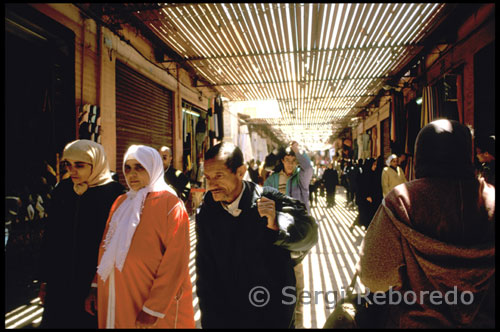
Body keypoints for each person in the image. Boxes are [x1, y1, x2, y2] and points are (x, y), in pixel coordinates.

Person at [357, 119, 495, 328]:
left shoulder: (401, 201)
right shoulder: (491, 199)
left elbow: (374, 277)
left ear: (421, 153)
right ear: (468, 153)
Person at [195, 142, 318, 328]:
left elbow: (309, 234)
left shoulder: (269, 199)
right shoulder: (207, 213)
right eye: (208, 178)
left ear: (240, 171)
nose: (211, 185)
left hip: (270, 315)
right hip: (228, 317)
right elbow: (205, 274)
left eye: (219, 176)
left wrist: (277, 225)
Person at [86, 145, 195, 328]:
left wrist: (154, 308)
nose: (132, 174)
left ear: (153, 167)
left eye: (139, 167)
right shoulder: (121, 202)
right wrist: (96, 286)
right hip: (115, 293)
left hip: (146, 298)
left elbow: (176, 262)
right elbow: (106, 247)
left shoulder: (171, 204)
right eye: (127, 168)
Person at [37, 139, 126, 328]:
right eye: (68, 165)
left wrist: (96, 286)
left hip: (92, 280)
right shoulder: (63, 190)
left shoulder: (114, 194)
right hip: (59, 280)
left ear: (96, 164)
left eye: (79, 165)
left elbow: (117, 244)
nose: (72, 171)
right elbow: (51, 237)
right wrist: (45, 280)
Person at [263, 141, 313, 328]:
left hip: (296, 234)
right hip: (276, 232)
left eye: (294, 160)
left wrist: (298, 151)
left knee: (297, 280)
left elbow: (308, 168)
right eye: (288, 160)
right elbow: (264, 198)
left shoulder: (301, 178)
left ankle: (298, 322)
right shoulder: (272, 179)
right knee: (278, 277)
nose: (291, 164)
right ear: (282, 161)